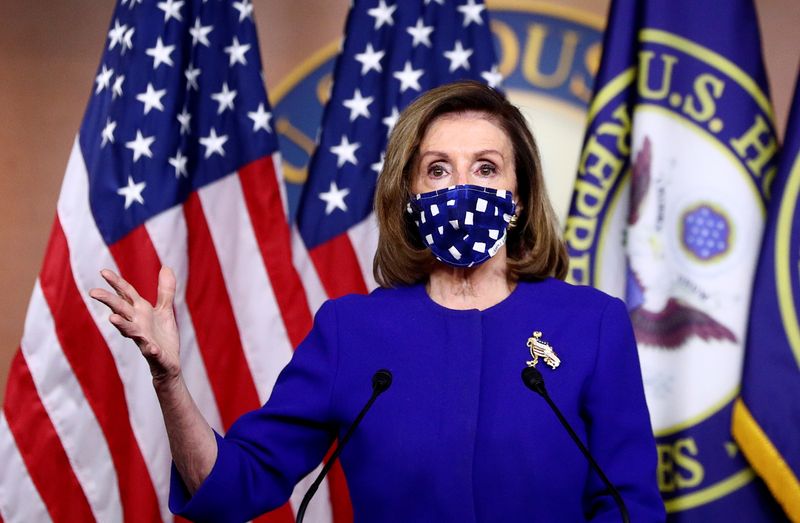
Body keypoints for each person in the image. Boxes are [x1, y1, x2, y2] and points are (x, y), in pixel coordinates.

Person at [90, 81, 665, 522]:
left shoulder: (590, 324)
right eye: (437, 169)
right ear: (410, 196)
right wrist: (169, 378)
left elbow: (630, 505)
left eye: (486, 168)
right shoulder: (352, 331)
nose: (462, 186)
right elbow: (230, 488)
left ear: (519, 197)